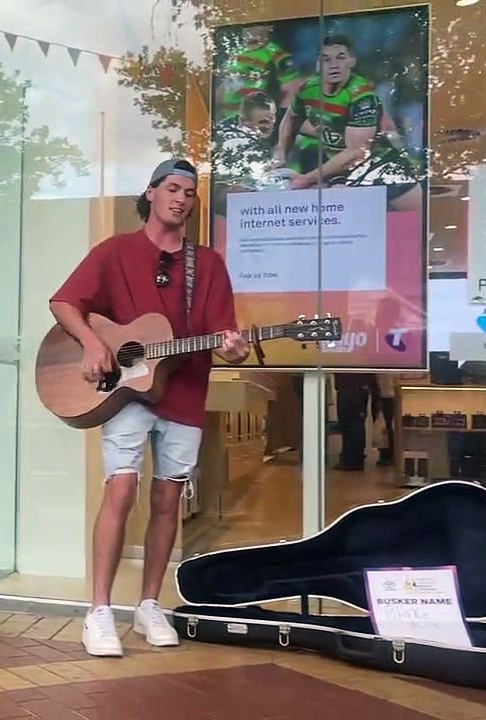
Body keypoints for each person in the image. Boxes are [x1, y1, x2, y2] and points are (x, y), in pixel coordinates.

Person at [48, 159, 250, 658]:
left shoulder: (209, 265)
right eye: (172, 188)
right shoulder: (115, 252)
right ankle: (98, 610)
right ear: (152, 193)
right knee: (121, 489)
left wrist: (234, 348)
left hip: (184, 393)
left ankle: (148, 604)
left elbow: (225, 334)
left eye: (190, 192)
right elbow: (64, 303)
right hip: (128, 391)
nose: (181, 198)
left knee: (167, 500)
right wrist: (94, 344)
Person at [273, 34, 423, 212]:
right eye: (326, 59)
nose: (334, 65)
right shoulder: (307, 90)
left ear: (352, 60)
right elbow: (291, 118)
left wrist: (307, 178)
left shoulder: (362, 97)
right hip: (343, 172)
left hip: (381, 168)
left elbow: (356, 152)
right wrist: (281, 154)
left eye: (340, 57)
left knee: (419, 220)